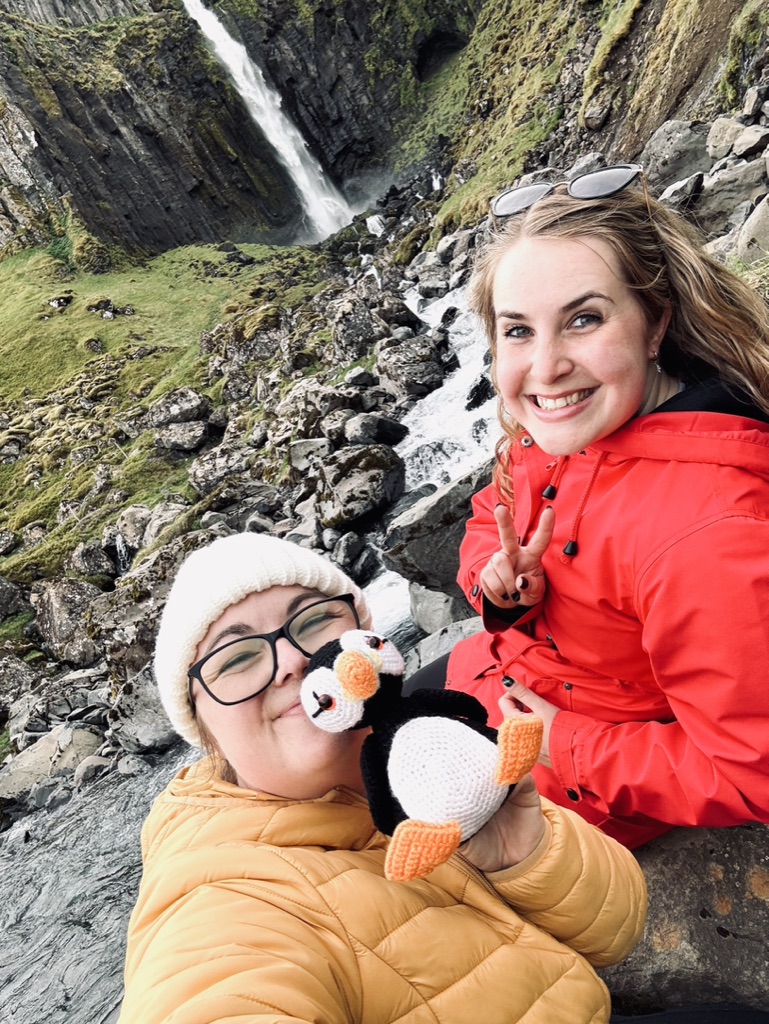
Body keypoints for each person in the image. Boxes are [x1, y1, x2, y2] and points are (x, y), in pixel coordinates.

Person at [118, 531, 649, 1024]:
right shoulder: (223, 902)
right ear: (203, 727)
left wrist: (521, 852)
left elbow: (617, 930)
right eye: (236, 658)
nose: (291, 664)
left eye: (310, 621)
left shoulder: (435, 753)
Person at [445, 163, 769, 850]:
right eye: (518, 331)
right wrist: (499, 586)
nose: (545, 367)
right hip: (494, 673)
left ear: (655, 324)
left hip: (573, 785)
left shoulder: (706, 535)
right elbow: (487, 512)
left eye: (582, 320)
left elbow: (751, 773)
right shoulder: (567, 426)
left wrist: (565, 743)